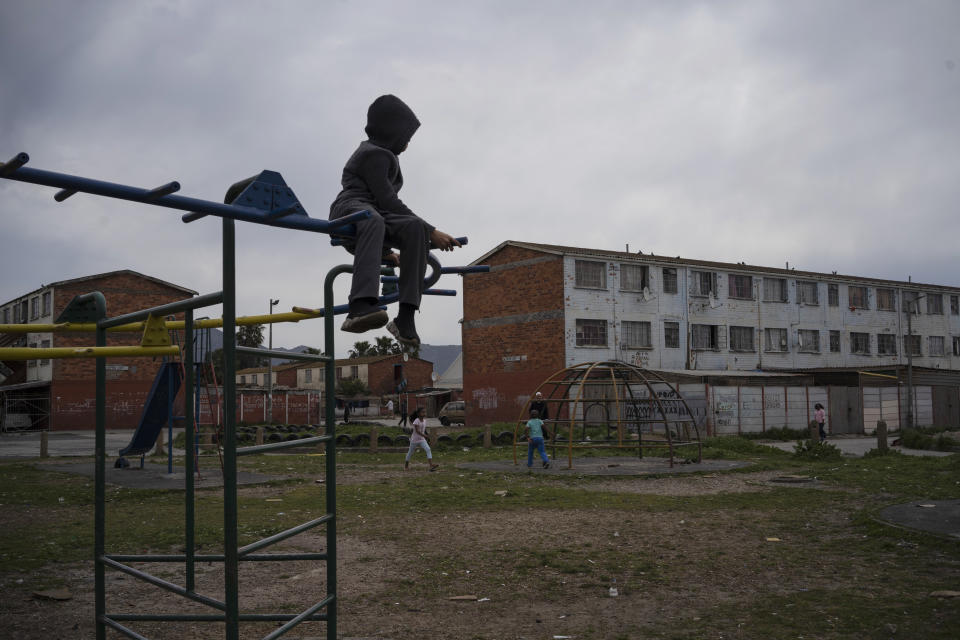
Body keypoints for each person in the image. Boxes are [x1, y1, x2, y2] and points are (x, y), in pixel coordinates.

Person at [329, 94, 460, 347]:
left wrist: (395, 247)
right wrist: (432, 231)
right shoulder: (373, 154)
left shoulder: (389, 156)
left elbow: (389, 211)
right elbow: (389, 201)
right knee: (379, 220)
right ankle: (360, 304)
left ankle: (406, 318)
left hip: (377, 214)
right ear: (390, 132)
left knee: (413, 229)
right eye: (405, 138)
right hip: (351, 207)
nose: (407, 144)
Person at [405, 407, 438, 472]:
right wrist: (425, 436)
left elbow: (423, 430)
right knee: (410, 452)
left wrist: (427, 435)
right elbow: (417, 431)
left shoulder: (425, 421)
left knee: (428, 449)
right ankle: (406, 466)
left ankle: (431, 466)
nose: (424, 413)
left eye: (424, 412)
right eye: (422, 412)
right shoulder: (416, 421)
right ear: (418, 413)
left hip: (421, 439)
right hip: (414, 439)